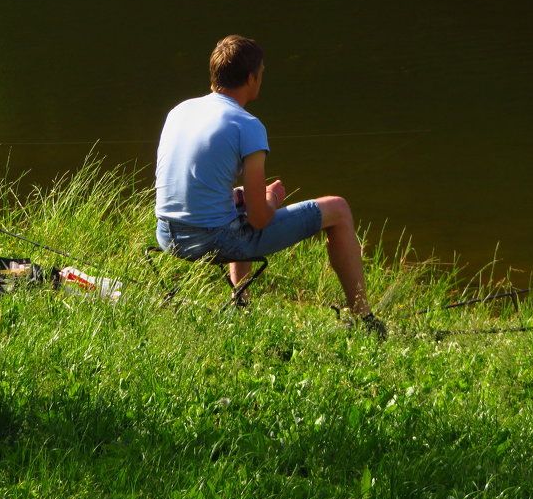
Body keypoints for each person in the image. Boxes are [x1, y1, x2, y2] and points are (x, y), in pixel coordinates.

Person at [155, 35, 385, 336]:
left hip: (167, 234)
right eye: (261, 73)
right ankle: (365, 319)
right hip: (212, 242)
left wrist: (242, 198)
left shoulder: (180, 110)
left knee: (236, 202)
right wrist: (272, 198)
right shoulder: (247, 125)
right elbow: (259, 219)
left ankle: (241, 304)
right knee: (337, 209)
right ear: (252, 78)